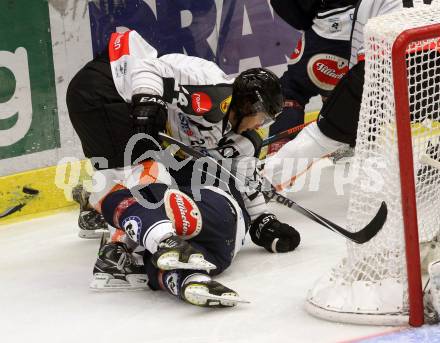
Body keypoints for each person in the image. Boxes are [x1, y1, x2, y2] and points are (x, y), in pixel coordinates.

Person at [66, 30, 301, 307]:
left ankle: (96, 208)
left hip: (111, 103)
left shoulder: (241, 139)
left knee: (153, 182)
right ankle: (117, 256)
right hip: (110, 90)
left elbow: (245, 179)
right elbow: (149, 67)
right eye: (260, 118)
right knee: (149, 181)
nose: (259, 125)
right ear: (248, 105)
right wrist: (147, 101)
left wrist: (263, 221)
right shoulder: (209, 82)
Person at [264, 0, 439, 190]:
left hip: (380, 63)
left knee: (318, 130)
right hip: (430, 63)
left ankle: (265, 180)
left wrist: (343, 107)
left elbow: (359, 58)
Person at [267, 0, 356, 154]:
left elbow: (292, 12)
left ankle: (280, 154)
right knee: (351, 89)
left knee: (291, 90)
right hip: (379, 24)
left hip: (335, 26)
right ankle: (346, 144)